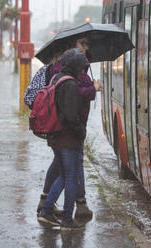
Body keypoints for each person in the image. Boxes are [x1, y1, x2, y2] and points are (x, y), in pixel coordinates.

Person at [38, 48, 89, 230]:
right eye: (82, 66)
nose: (83, 70)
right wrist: (81, 131)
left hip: (55, 137)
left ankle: (45, 211)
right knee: (71, 178)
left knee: (63, 175)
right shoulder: (71, 85)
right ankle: (67, 219)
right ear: (75, 66)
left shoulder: (56, 78)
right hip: (68, 139)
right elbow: (70, 116)